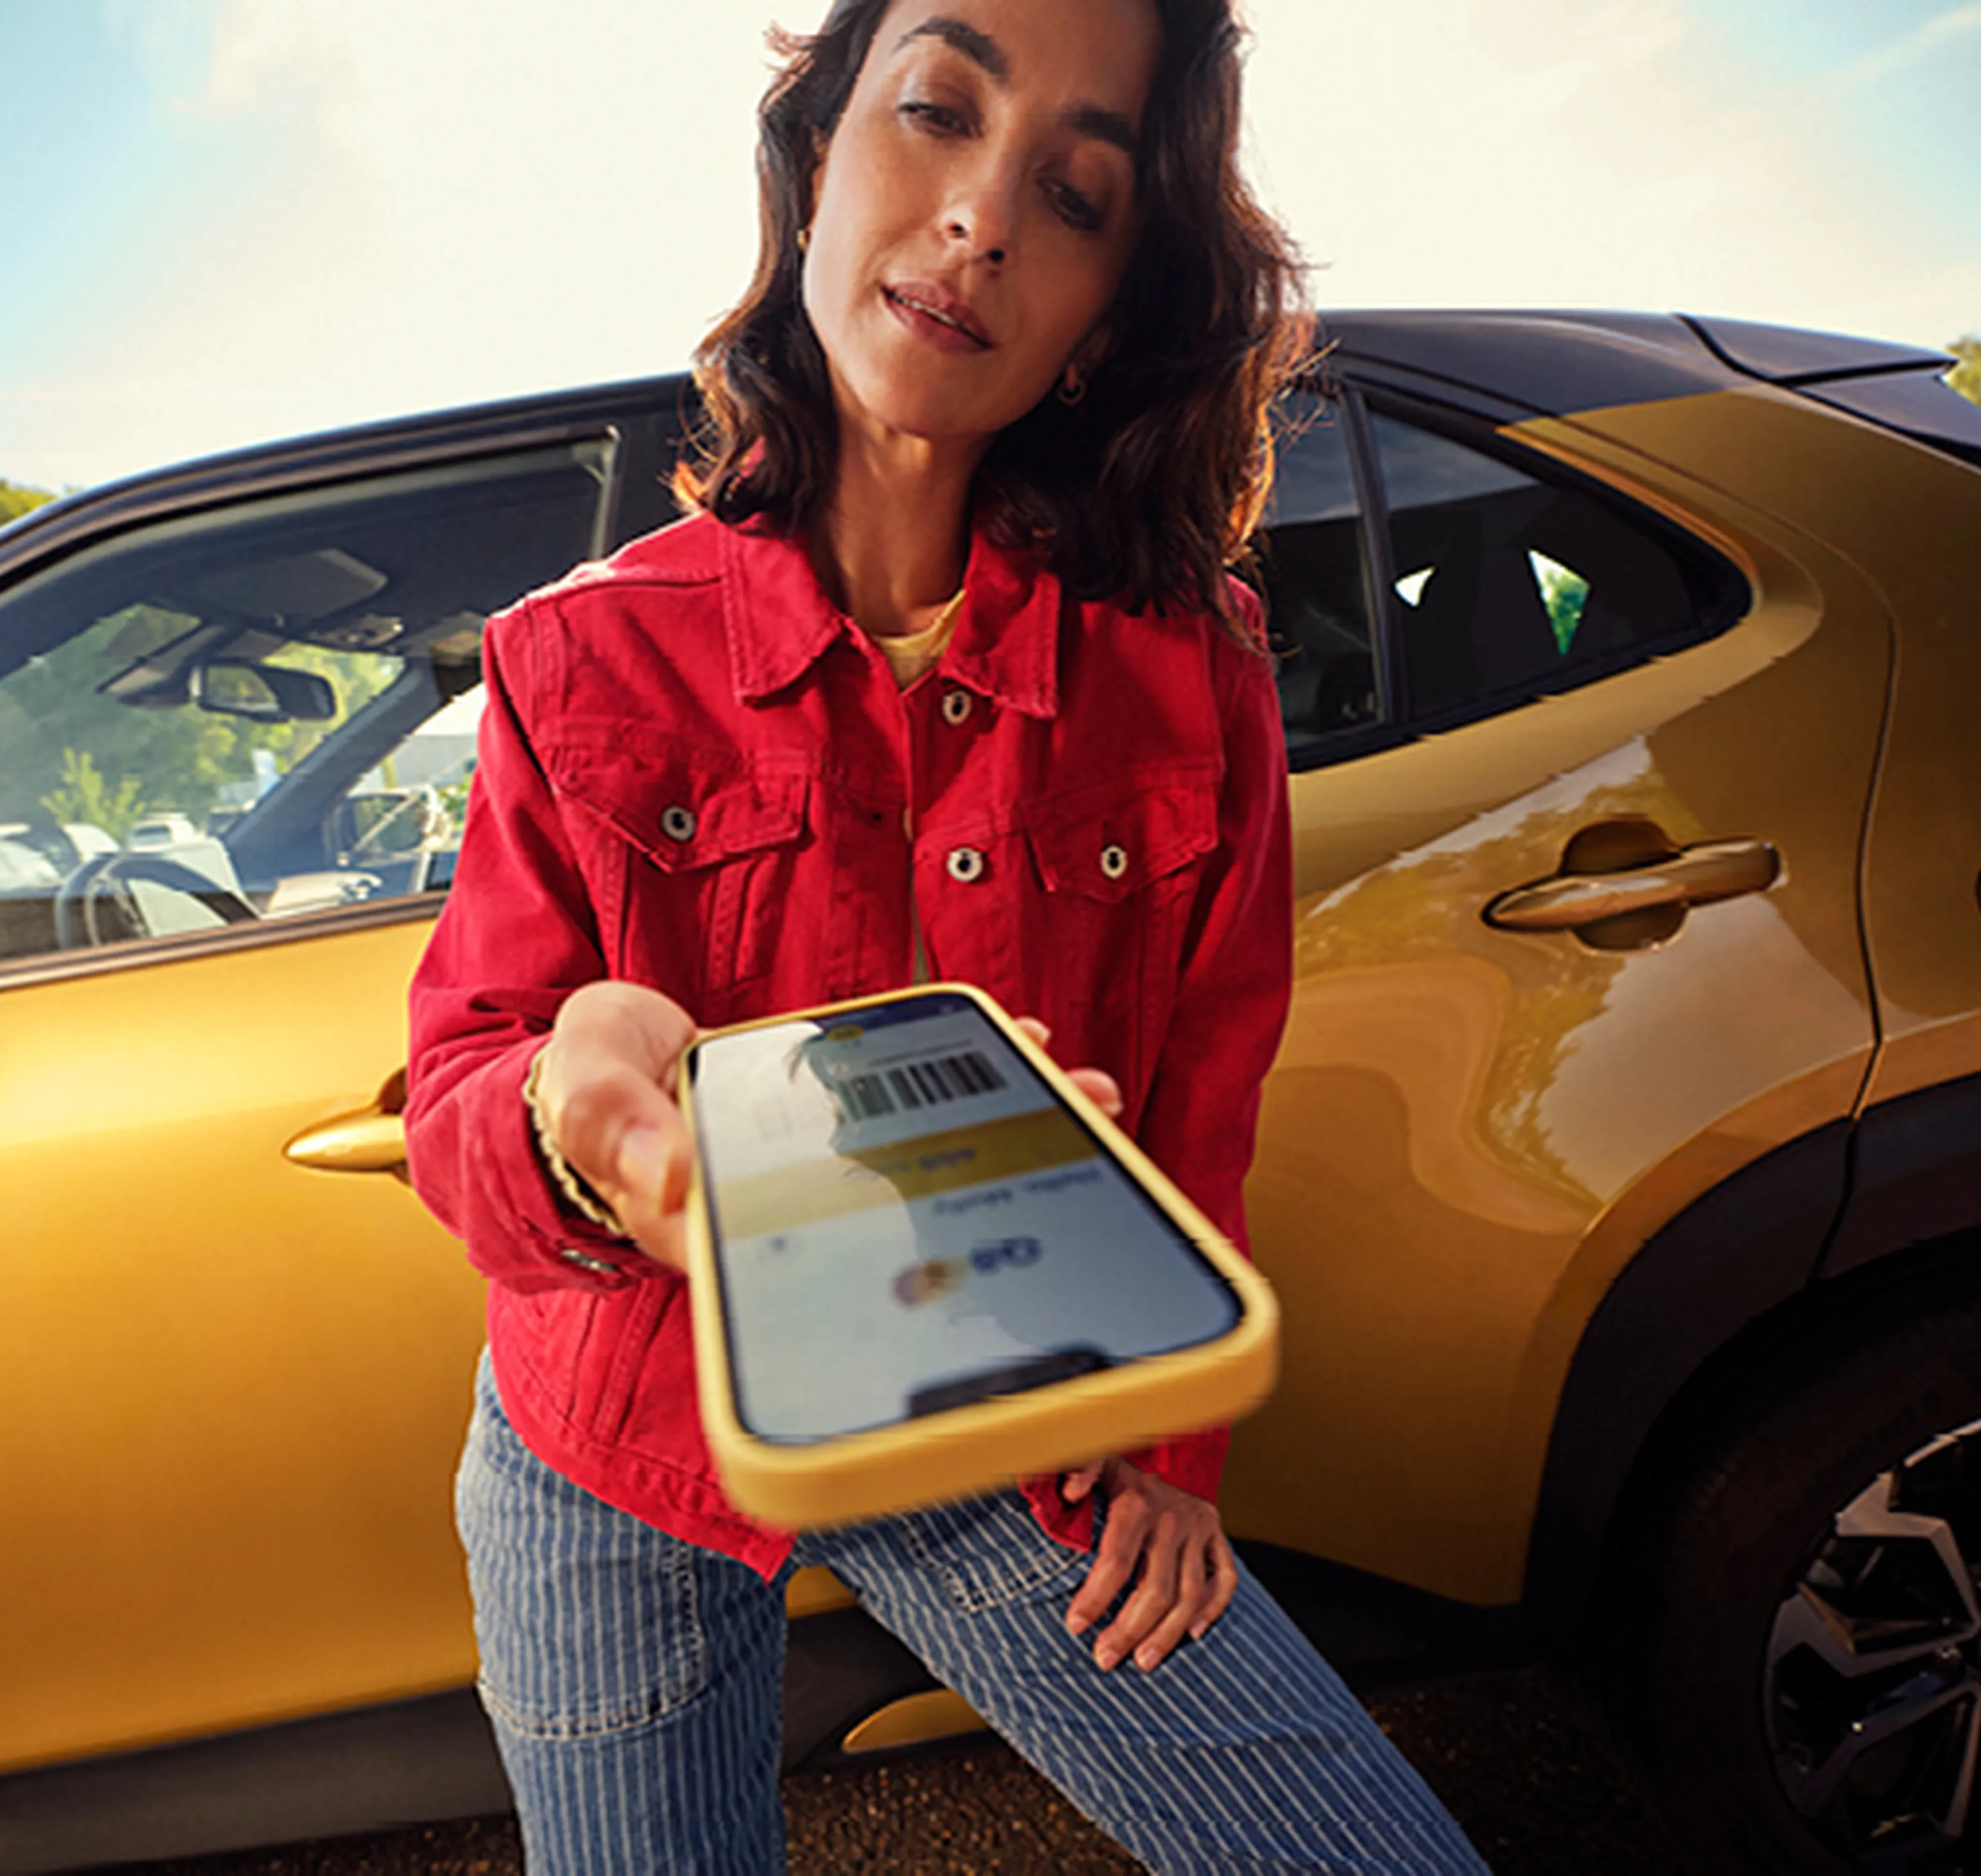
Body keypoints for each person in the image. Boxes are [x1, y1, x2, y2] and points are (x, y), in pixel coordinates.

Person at [405, 1, 1489, 1869]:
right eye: (935, 111)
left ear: (1101, 307)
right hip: (617, 1443)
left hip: (1013, 1407)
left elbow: (1202, 1093)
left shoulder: (1189, 661)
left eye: (1071, 192)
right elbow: (458, 1079)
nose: (983, 219)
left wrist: (1174, 1449)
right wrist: (579, 1137)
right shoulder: (574, 654)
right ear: (819, 151)